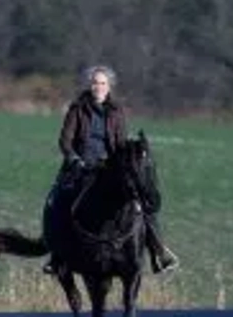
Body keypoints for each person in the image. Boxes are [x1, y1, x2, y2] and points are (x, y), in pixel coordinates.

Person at [44, 64, 178, 274]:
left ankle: (158, 251)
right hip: (81, 166)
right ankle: (57, 256)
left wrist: (130, 157)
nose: (99, 87)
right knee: (60, 199)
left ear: (109, 87)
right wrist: (74, 159)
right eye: (95, 83)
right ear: (90, 85)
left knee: (140, 199)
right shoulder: (77, 108)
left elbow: (121, 143)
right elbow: (65, 141)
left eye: (103, 83)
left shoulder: (117, 111)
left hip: (109, 167)